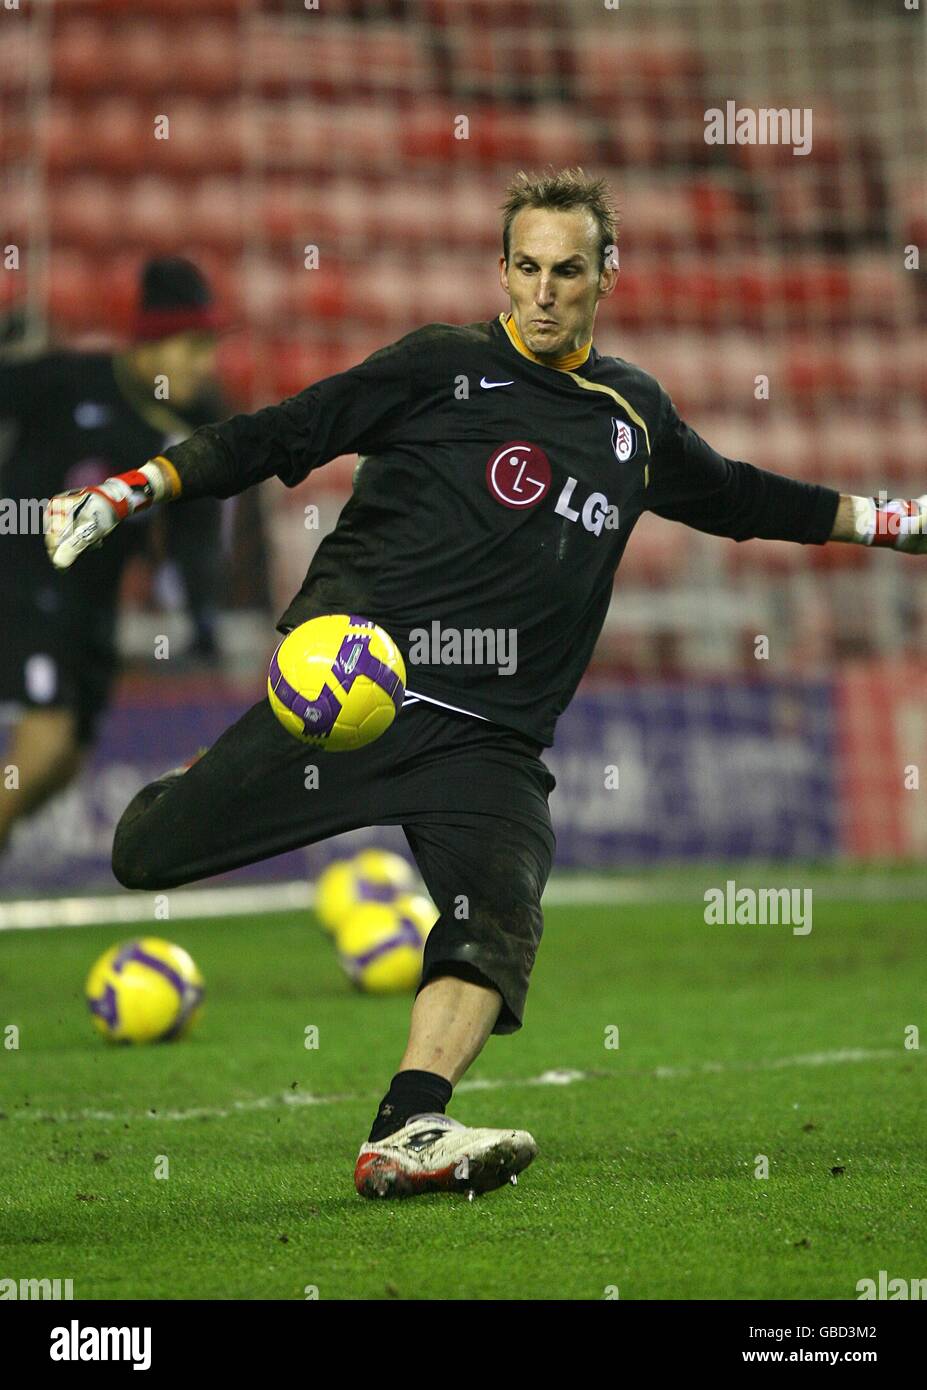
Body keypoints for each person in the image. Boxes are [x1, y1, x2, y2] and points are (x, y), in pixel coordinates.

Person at [42, 168, 927, 1200]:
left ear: (606, 279)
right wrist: (132, 490)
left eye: (568, 271)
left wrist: (888, 522)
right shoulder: (441, 366)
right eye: (528, 268)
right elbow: (279, 433)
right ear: (501, 273)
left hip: (491, 745)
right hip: (355, 695)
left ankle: (409, 1126)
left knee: (495, 921)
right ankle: (221, 764)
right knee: (142, 853)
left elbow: (737, 496)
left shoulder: (630, 417)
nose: (545, 291)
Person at [0, 258, 225, 856]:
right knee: (43, 741)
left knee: (67, 763)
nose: (205, 364)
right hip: (24, 582)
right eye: (192, 346)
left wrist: (201, 611)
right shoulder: (71, 381)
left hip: (93, 602)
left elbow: (193, 530)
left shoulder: (194, 423)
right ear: (151, 344)